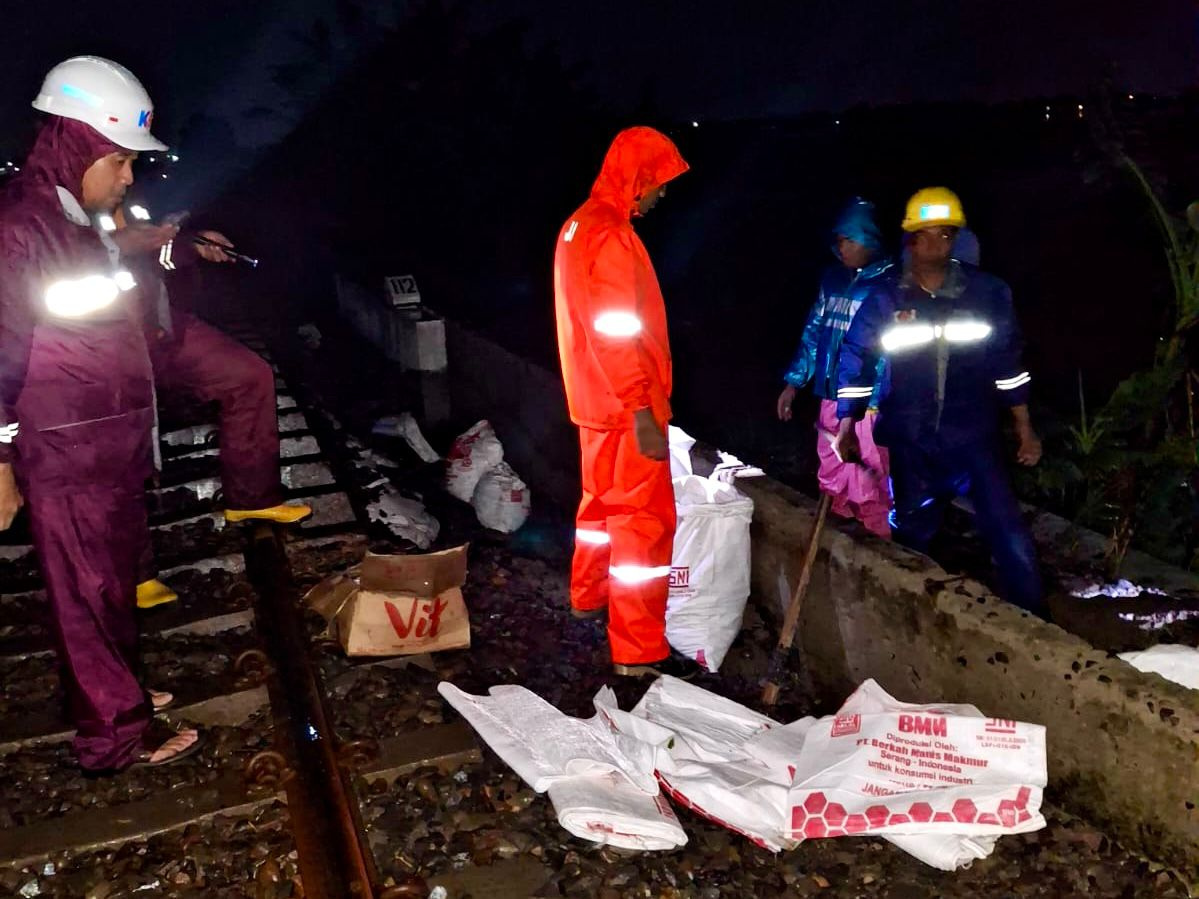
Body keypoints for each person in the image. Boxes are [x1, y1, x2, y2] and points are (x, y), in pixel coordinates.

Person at [0, 56, 199, 770]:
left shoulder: (73, 222)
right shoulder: (22, 227)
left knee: (110, 578)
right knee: (84, 590)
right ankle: (110, 735)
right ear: (79, 145)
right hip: (63, 446)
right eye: (118, 160)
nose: (126, 178)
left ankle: (119, 692)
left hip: (104, 438)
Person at [833, 187, 1047, 616]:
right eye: (924, 236)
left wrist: (1025, 428)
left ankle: (1037, 619)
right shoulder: (886, 299)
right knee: (913, 531)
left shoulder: (987, 294)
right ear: (909, 240)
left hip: (974, 437)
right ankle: (910, 613)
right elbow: (857, 358)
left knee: (1007, 530)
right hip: (912, 438)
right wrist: (846, 425)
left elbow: (1008, 363)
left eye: (944, 236)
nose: (933, 245)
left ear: (956, 241)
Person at [108, 208, 311, 610]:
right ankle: (132, 575)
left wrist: (193, 245)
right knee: (117, 448)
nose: (129, 173)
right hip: (100, 343)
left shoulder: (125, 199)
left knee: (248, 375)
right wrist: (119, 243)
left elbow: (156, 257)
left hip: (158, 326)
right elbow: (62, 263)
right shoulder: (53, 205)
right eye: (122, 161)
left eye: (132, 161)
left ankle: (252, 497)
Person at [553, 126, 698, 678]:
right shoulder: (611, 234)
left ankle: (586, 597)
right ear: (638, 179)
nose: (663, 195)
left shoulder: (575, 225)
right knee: (642, 523)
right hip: (623, 404)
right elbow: (616, 329)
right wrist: (642, 409)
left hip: (591, 401)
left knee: (597, 509)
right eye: (659, 183)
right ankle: (638, 652)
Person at [777, 198, 895, 539]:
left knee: (869, 475)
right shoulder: (832, 280)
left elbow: (892, 352)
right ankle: (836, 537)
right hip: (831, 395)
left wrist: (873, 401)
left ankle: (878, 543)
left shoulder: (887, 287)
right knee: (832, 469)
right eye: (839, 240)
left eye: (850, 240)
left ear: (870, 240)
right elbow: (814, 331)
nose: (841, 247)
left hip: (869, 405)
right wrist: (793, 382)